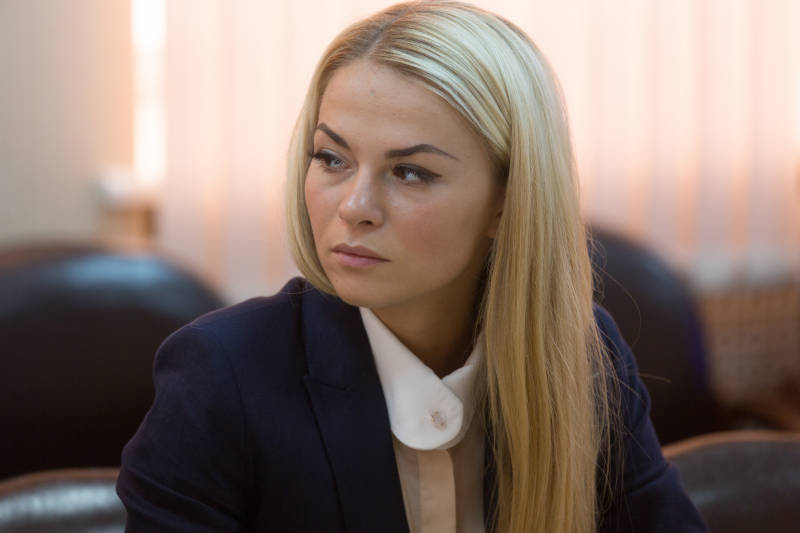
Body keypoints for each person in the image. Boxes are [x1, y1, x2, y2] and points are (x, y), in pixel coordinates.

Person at [116, 1, 708, 531]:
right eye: (331, 158)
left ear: (507, 203)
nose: (354, 207)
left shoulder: (578, 356)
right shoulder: (221, 377)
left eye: (410, 172)